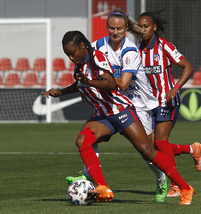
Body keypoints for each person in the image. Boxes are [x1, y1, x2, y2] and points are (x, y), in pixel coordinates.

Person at [43, 30, 194, 205]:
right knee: (83, 140)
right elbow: (81, 84)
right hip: (103, 115)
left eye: (72, 53)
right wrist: (61, 91)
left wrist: (89, 82)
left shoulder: (98, 58)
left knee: (148, 151)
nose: (70, 57)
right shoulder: (80, 65)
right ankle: (103, 188)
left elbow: (111, 83)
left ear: (82, 46)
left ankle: (185, 187)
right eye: (67, 54)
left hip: (120, 110)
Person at [67, 10, 167, 202]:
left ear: (126, 28)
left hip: (138, 101)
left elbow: (121, 84)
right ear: (107, 28)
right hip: (115, 102)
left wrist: (91, 82)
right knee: (88, 138)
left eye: (119, 29)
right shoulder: (97, 46)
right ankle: (92, 178)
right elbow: (85, 62)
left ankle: (161, 179)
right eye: (111, 28)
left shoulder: (130, 50)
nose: (115, 32)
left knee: (146, 151)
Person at [137, 11, 201, 197]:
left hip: (168, 100)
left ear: (154, 27)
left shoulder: (164, 46)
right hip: (148, 104)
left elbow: (188, 67)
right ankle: (192, 149)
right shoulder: (136, 50)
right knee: (155, 146)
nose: (143, 30)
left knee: (160, 142)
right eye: (140, 27)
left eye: (146, 26)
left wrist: (175, 88)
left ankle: (176, 186)